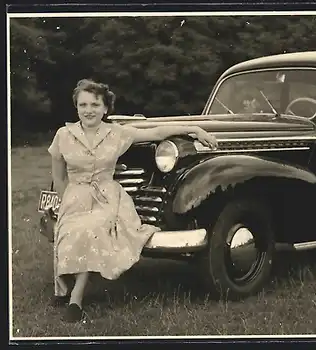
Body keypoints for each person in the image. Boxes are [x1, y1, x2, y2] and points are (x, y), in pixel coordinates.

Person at [47, 78, 218, 323]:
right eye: (83, 105)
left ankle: (75, 298)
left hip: (107, 198)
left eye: (95, 104)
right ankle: (63, 288)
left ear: (106, 108)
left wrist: (194, 130)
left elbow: (157, 131)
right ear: (76, 107)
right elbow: (59, 177)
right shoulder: (63, 135)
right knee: (68, 228)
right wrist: (67, 204)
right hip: (75, 195)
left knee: (90, 229)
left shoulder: (117, 133)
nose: (89, 110)